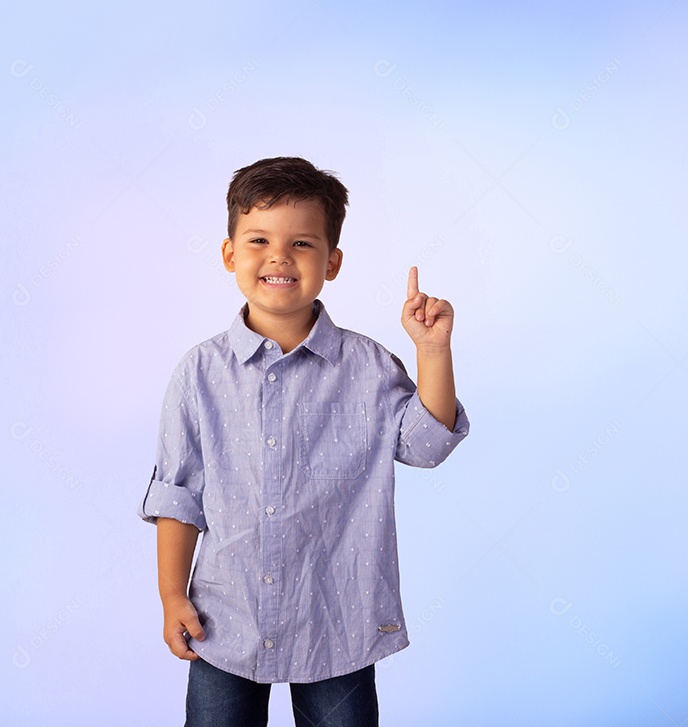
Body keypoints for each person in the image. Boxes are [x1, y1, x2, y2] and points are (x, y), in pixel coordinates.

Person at [140, 157, 469, 726]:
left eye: (302, 244)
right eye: (259, 239)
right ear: (229, 253)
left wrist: (432, 352)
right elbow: (178, 496)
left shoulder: (367, 366)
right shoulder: (199, 373)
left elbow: (426, 446)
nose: (279, 257)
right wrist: (173, 595)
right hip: (227, 617)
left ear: (332, 261)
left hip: (337, 619)